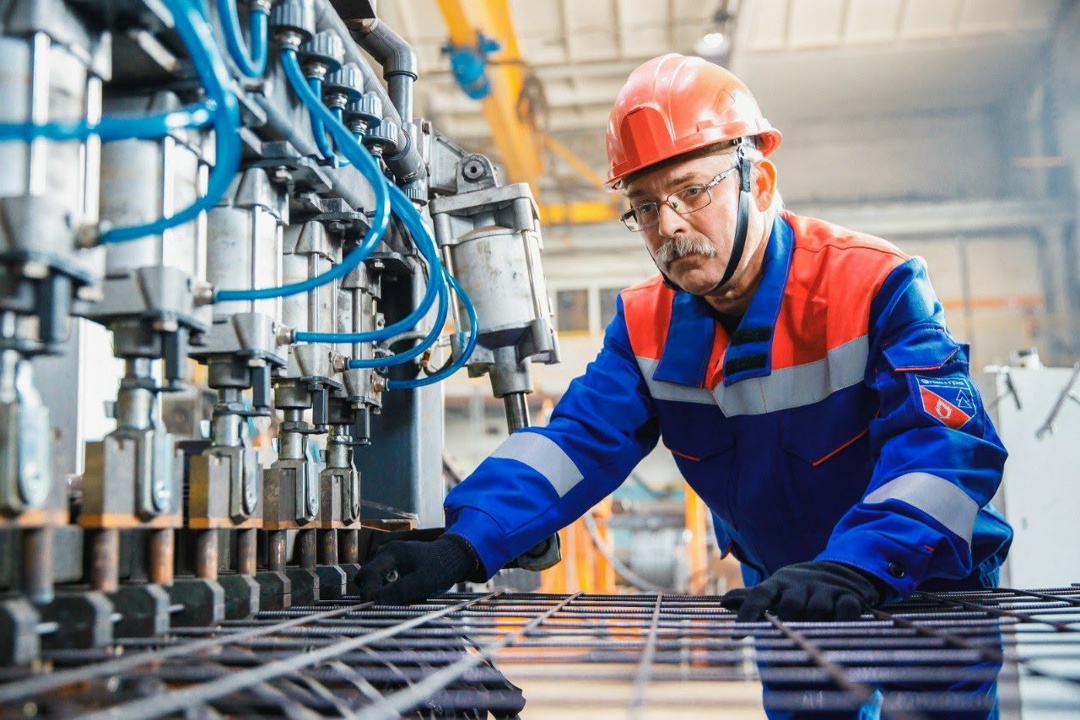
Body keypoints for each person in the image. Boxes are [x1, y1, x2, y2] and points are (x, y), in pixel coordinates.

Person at [357, 54, 1011, 718]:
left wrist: (863, 562)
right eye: (644, 207)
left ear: (759, 183)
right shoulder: (646, 326)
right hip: (787, 594)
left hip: (923, 578)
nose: (668, 226)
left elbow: (947, 453)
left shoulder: (875, 286)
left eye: (692, 192)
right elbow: (574, 443)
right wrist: (465, 542)